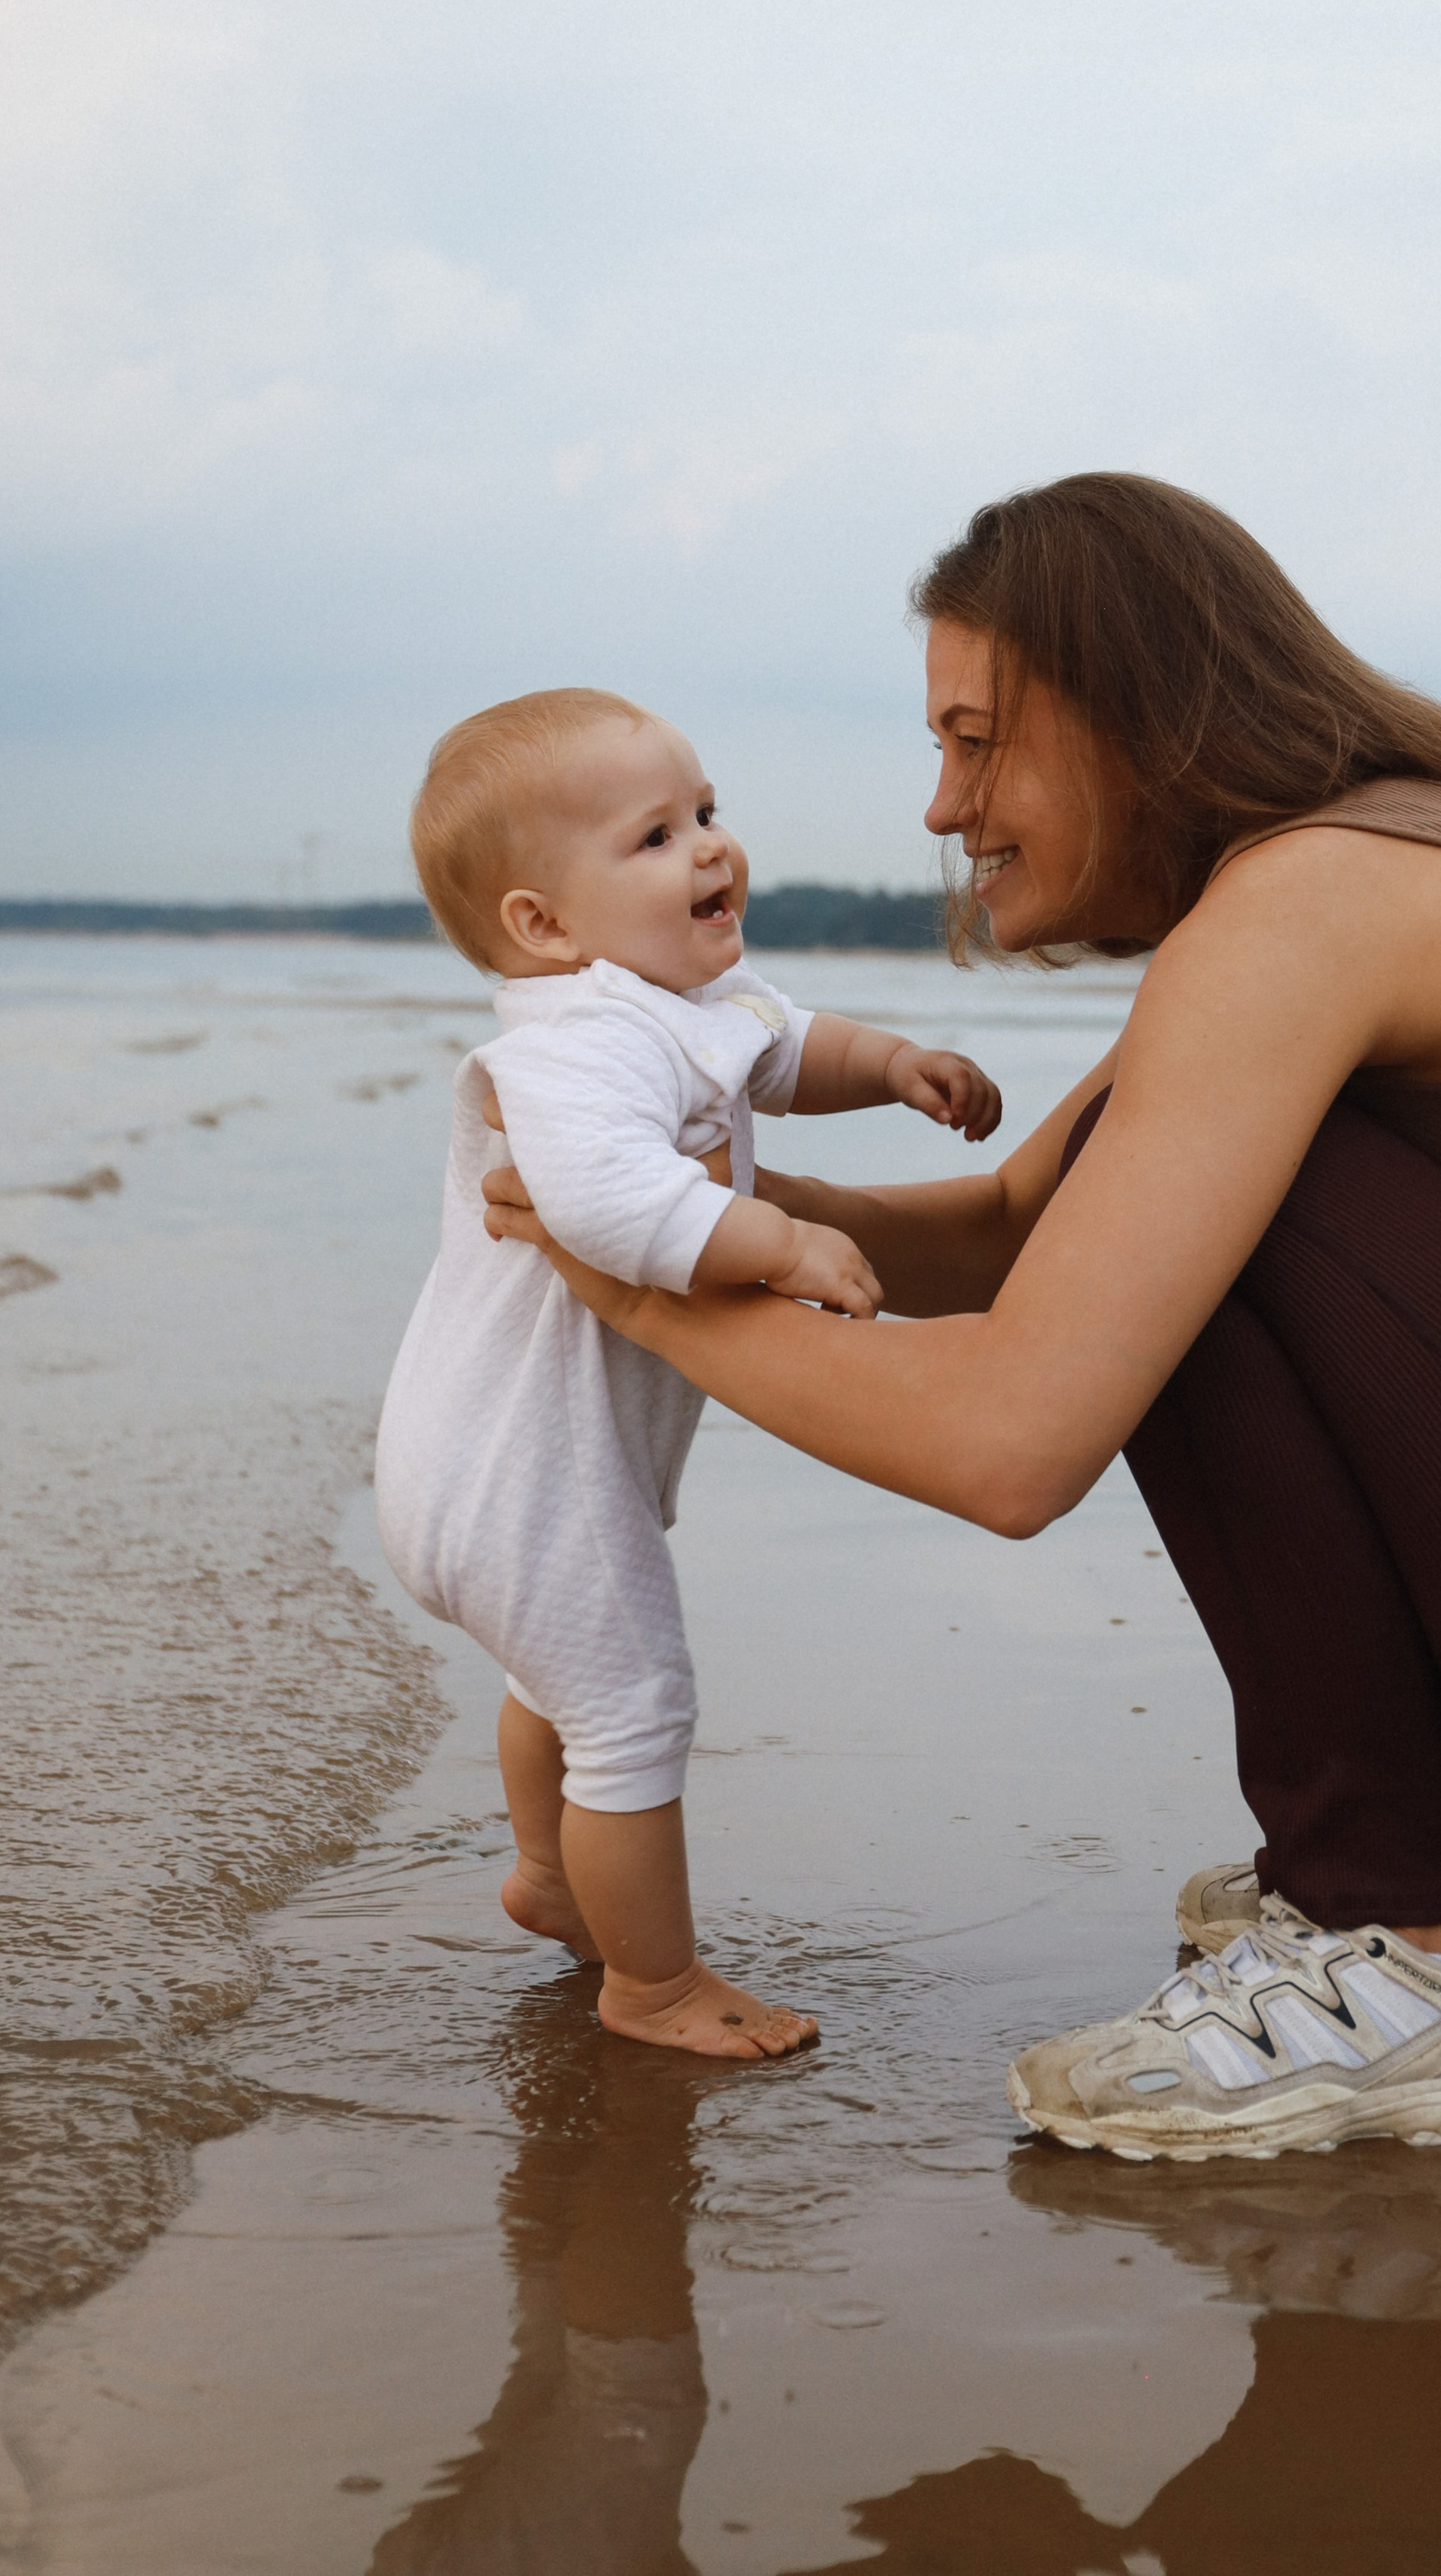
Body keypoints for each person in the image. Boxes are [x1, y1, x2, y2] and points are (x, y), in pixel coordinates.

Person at [477, 478, 1441, 2158]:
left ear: (1132, 713)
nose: (942, 806)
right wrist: (705, 1203)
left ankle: (1400, 1945)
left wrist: (631, 1278)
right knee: (1164, 1211)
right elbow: (1010, 1228)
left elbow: (1008, 1443)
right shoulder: (1360, 874)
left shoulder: (1311, 910)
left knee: (1217, 1225)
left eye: (977, 742)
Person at [375, 686, 1000, 2061]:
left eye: (706, 811)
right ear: (544, 924)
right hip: (517, 1475)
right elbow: (603, 1204)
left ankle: (552, 1879)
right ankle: (651, 1985)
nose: (711, 846)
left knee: (563, 1682)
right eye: (655, 836)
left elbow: (789, 1047)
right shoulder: (574, 1045)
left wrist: (896, 1064)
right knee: (634, 1708)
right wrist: (780, 1242)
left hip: (507, 1470)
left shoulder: (680, 1005)